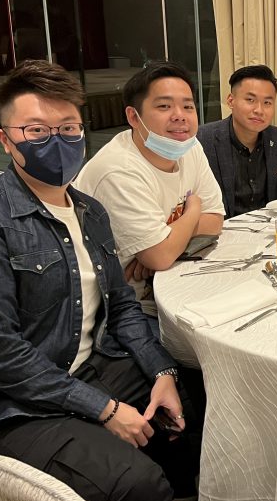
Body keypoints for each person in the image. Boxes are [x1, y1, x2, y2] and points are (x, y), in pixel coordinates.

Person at [0, 60, 198, 501]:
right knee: (136, 486)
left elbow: (123, 307)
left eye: (68, 128)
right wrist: (105, 409)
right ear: (5, 140)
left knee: (190, 397)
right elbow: (1, 356)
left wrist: (162, 371)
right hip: (8, 408)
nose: (56, 142)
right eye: (37, 131)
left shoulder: (89, 211)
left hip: (84, 368)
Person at [76, 61, 224, 324]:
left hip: (165, 284)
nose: (180, 116)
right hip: (118, 310)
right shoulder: (118, 170)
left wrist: (166, 243)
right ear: (134, 117)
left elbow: (215, 221)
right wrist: (193, 210)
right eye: (164, 106)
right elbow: (161, 255)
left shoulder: (190, 147)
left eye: (188, 106)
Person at [197, 64, 277, 217]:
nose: (259, 110)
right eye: (250, 100)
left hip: (271, 229)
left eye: (267, 103)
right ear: (231, 101)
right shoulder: (203, 140)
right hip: (223, 229)